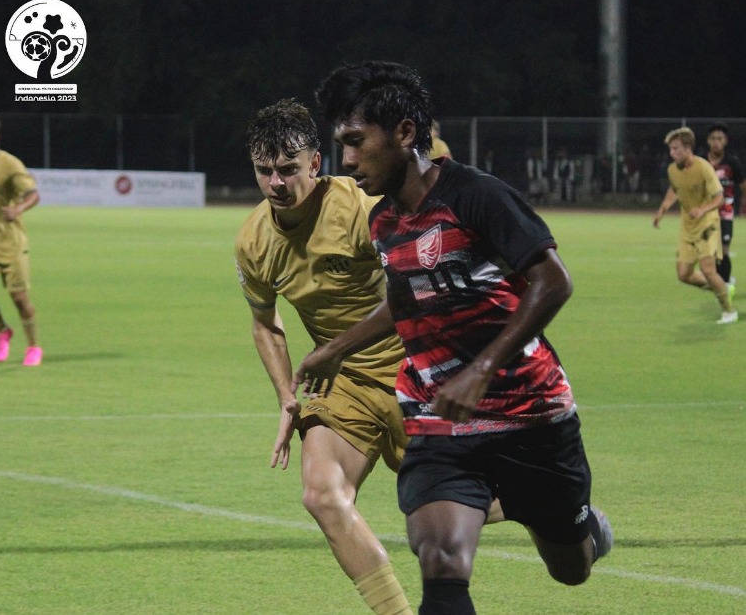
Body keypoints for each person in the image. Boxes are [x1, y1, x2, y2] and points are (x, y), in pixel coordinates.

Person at [294, 61, 613, 614]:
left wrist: (481, 370)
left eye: (355, 141)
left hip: (529, 413)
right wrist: (338, 347)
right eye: (339, 143)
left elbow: (553, 281)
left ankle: (583, 529)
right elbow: (406, 295)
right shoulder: (384, 222)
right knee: (440, 557)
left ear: (405, 133)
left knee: (570, 569)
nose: (345, 161)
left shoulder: (477, 196)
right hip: (438, 416)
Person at [234, 99, 414, 615]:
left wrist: (333, 349)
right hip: (342, 381)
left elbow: (411, 294)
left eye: (289, 169)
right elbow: (265, 322)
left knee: (454, 501)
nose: (276, 183)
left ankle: (556, 510)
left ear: (316, 164)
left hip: (415, 366)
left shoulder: (361, 208)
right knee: (322, 495)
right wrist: (286, 397)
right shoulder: (253, 241)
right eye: (264, 171)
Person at [653, 127, 737, 324]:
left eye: (676, 149)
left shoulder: (703, 167)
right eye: (671, 150)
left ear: (688, 148)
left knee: (708, 269)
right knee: (684, 274)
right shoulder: (672, 170)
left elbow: (719, 198)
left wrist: (702, 209)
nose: (672, 153)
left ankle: (729, 311)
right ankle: (722, 288)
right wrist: (662, 211)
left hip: (708, 223)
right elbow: (675, 190)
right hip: (687, 226)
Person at [0, 112, 43, 366]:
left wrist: (17, 209)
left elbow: (33, 194)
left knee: (20, 299)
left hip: (11, 244)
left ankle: (33, 346)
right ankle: (3, 330)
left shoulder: (10, 165)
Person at [706, 122, 745, 288]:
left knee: (724, 248)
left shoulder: (732, 162)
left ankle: (726, 284)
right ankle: (719, 282)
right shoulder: (701, 161)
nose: (717, 142)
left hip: (726, 211)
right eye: (714, 138)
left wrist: (744, 202)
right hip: (706, 212)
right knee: (711, 252)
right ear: (708, 140)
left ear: (725, 141)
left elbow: (743, 184)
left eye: (720, 139)